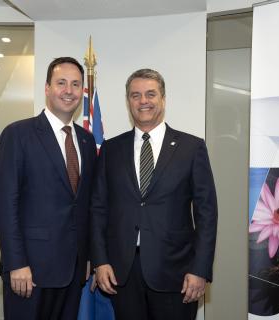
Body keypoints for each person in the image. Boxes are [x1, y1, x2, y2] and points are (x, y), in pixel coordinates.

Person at [91, 68, 218, 320]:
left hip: (176, 272)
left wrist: (200, 269)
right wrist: (100, 261)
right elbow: (98, 209)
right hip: (122, 272)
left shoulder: (191, 148)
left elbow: (207, 214)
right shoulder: (111, 149)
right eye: (135, 95)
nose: (143, 101)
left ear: (163, 99)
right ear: (128, 101)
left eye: (150, 94)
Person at [0, 57, 97, 320]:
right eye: (61, 83)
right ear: (47, 88)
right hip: (30, 272)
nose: (69, 90)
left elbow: (86, 205)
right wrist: (16, 263)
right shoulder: (18, 134)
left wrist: (86, 258)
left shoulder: (85, 140)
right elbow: (4, 204)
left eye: (75, 84)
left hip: (73, 271)